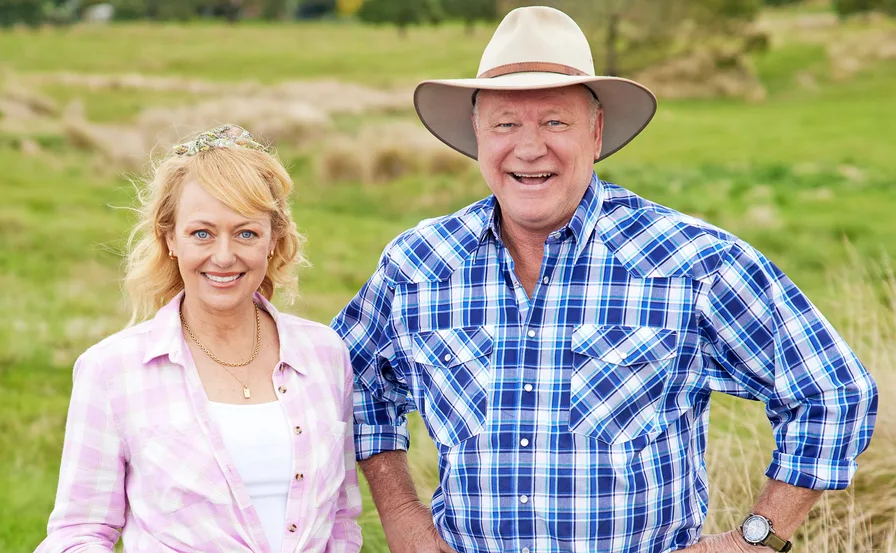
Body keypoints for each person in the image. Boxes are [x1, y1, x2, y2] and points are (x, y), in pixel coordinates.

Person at [332, 7, 878, 553]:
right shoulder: (418, 265)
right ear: (477, 134)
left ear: (595, 132)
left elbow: (833, 392)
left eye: (554, 121)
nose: (528, 148)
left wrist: (754, 539)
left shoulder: (689, 262)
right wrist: (402, 514)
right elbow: (344, 384)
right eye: (505, 123)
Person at [37, 124, 362, 553]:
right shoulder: (111, 371)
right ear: (170, 238)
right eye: (202, 233)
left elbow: (340, 518)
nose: (224, 256)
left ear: (273, 240)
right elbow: (78, 534)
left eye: (246, 232)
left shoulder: (325, 355)